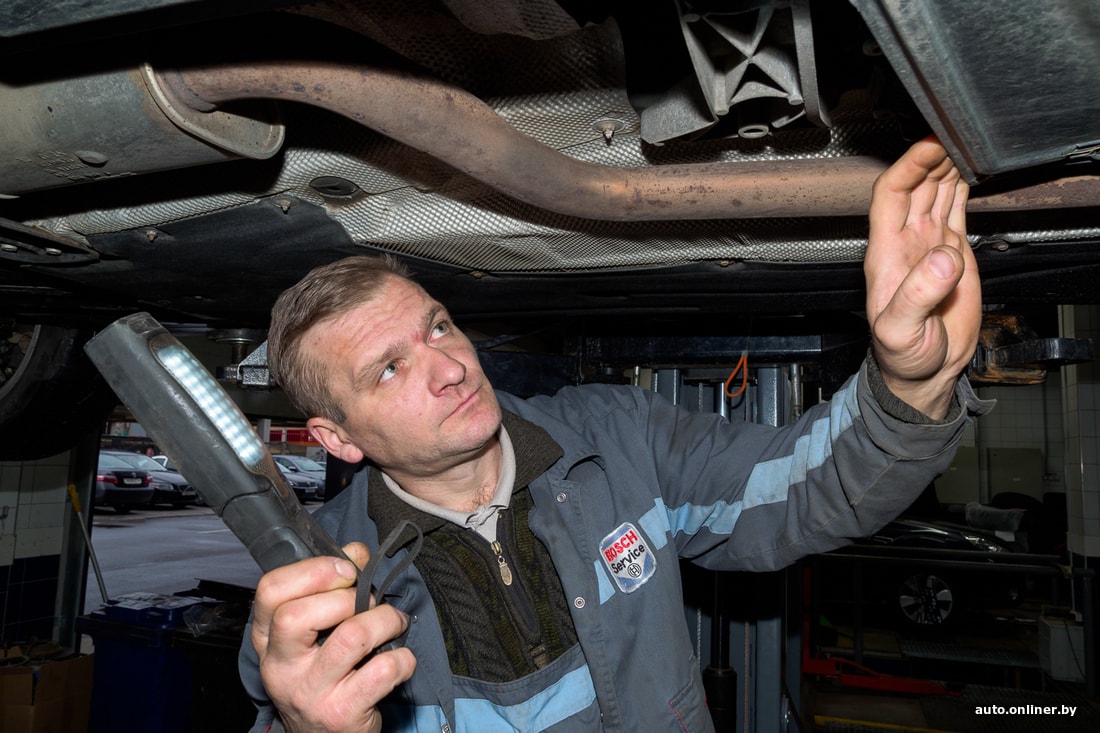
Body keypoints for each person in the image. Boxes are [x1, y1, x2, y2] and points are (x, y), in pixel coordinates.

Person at [239, 138, 991, 733]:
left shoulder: (619, 440)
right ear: (336, 439)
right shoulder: (319, 590)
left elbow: (804, 487)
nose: (450, 366)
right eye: (389, 369)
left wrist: (911, 385)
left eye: (438, 326)